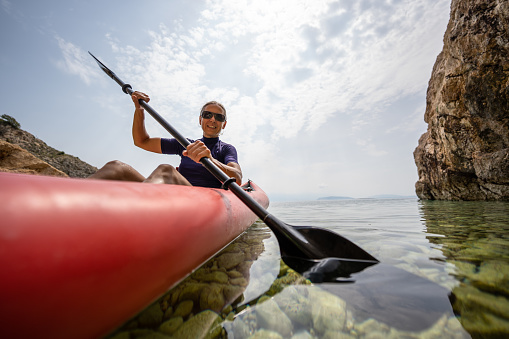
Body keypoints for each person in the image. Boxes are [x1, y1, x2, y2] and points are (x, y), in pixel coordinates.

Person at [89, 91, 242, 188]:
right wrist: (139, 110)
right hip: (175, 195)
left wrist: (210, 159)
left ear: (224, 124)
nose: (213, 120)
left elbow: (237, 177)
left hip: (201, 201)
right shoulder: (185, 143)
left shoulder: (226, 149)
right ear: (200, 119)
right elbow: (141, 141)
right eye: (208, 115)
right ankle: (69, 198)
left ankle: (135, 211)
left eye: (219, 117)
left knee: (166, 170)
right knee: (117, 167)